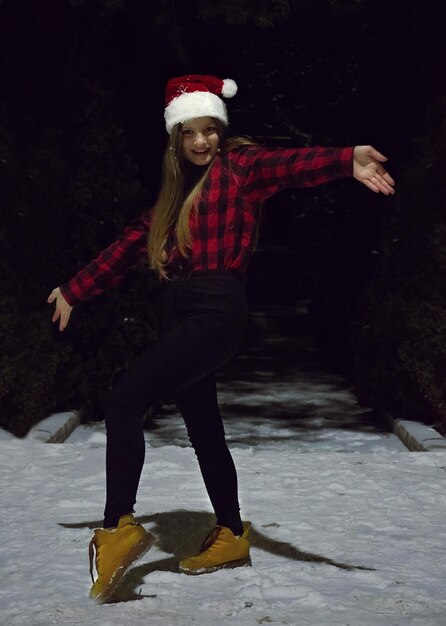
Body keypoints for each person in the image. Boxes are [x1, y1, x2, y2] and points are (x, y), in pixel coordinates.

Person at [47, 74, 395, 603]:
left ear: (221, 130)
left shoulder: (239, 170)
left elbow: (290, 166)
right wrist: (74, 289)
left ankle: (117, 527)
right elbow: (124, 248)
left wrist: (346, 159)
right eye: (190, 132)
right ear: (176, 139)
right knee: (204, 429)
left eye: (210, 130)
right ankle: (230, 534)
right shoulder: (170, 201)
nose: (202, 141)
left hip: (215, 311)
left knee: (122, 399)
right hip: (179, 314)